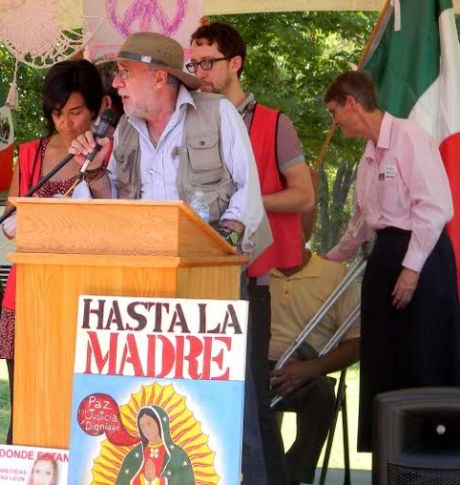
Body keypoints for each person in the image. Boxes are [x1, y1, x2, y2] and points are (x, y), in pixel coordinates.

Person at [69, 31, 270, 483]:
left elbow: (248, 196)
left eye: (125, 73)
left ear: (159, 77)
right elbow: (112, 208)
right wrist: (97, 170)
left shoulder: (217, 114)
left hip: (212, 287)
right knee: (146, 397)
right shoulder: (122, 130)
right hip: (144, 292)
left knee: (235, 408)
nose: (116, 83)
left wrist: (218, 247)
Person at [188, 21, 315, 485]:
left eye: (208, 62)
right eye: (193, 63)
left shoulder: (275, 123)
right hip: (196, 279)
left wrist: (247, 202)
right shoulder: (187, 117)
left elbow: (304, 196)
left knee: (252, 399)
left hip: (250, 277)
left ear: (234, 63)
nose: (198, 71)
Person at [322, 71, 460, 452]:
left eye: (335, 112)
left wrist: (412, 269)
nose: (335, 122)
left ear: (351, 102)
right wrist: (330, 259)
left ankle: (434, 454)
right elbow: (363, 222)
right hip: (385, 257)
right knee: (384, 358)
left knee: (424, 356)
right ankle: (390, 453)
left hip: (424, 258)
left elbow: (434, 209)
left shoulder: (410, 137)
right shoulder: (368, 154)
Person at [0, 58, 104, 443]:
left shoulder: (113, 152)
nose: (66, 123)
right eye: (58, 113)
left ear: (97, 107)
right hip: (29, 294)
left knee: (80, 409)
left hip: (87, 295)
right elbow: (9, 221)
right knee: (26, 407)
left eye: (76, 112)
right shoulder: (30, 154)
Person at [268, 231, 361, 485]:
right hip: (261, 367)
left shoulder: (334, 274)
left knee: (322, 394)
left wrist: (310, 368)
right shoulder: (259, 271)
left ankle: (289, 474)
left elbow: (356, 343)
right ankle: (261, 469)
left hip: (310, 365)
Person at [116, 406, 195, 484]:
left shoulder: (176, 454)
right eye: (142, 427)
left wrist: (155, 481)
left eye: (149, 424)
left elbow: (184, 480)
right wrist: (145, 480)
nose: (146, 430)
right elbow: (124, 480)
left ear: (159, 424)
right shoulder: (135, 455)